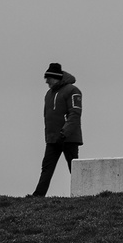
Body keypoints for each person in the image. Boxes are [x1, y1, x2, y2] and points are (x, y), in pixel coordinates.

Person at [32, 62, 82, 197]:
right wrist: (50, 136)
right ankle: (38, 195)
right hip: (53, 139)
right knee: (47, 167)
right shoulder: (49, 94)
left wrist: (64, 133)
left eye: (48, 78)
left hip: (69, 138)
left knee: (74, 168)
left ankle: (82, 193)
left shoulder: (73, 90)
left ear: (56, 77)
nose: (47, 81)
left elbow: (74, 114)